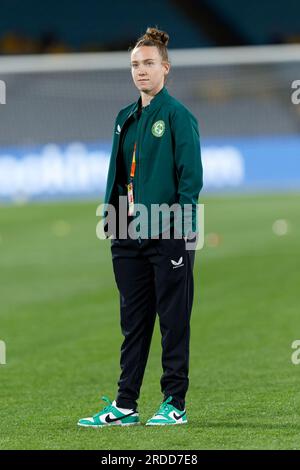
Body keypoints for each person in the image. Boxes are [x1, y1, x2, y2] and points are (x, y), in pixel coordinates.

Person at [78, 26, 203, 428]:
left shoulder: (178, 117)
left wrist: (183, 233)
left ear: (165, 68)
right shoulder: (124, 118)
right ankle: (125, 404)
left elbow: (190, 180)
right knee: (132, 323)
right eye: (135, 64)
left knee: (173, 321)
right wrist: (112, 221)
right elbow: (117, 176)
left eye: (148, 63)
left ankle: (174, 403)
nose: (140, 70)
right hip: (127, 234)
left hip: (169, 234)